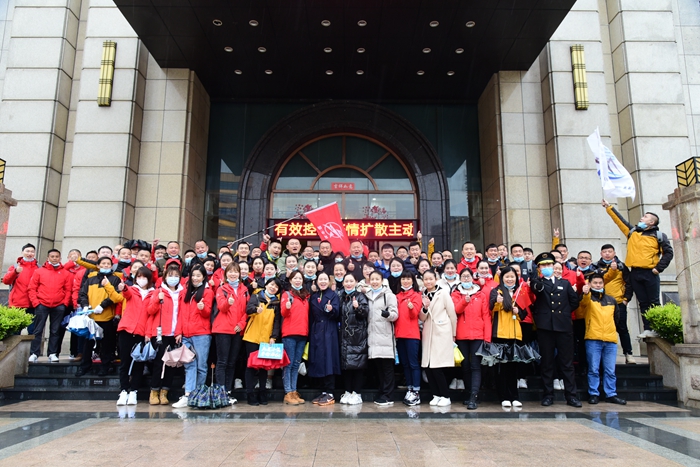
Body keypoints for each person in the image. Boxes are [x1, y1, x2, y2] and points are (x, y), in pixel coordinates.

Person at [601, 199, 674, 337]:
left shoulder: (659, 236)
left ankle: (656, 328)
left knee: (654, 301)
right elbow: (620, 221)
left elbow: (668, 253)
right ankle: (648, 328)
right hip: (635, 272)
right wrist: (609, 207)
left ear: (651, 222)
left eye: (645, 217)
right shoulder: (632, 232)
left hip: (650, 272)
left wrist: (658, 268)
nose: (642, 218)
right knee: (643, 302)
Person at [530, 252, 582, 407]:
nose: (546, 267)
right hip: (545, 327)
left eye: (549, 264)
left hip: (563, 327)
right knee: (547, 363)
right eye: (543, 265)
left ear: (554, 266)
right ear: (539, 268)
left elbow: (574, 302)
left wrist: (563, 313)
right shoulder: (538, 283)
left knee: (567, 363)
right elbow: (536, 291)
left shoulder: (565, 283)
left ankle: (571, 396)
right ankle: (548, 395)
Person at [576, 274, 627, 405]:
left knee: (610, 370)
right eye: (595, 283)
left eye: (600, 283)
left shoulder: (611, 300)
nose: (598, 285)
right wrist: (585, 293)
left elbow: (616, 318)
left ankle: (611, 394)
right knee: (593, 369)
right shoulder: (588, 299)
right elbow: (582, 304)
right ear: (590, 284)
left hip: (610, 339)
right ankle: (594, 393)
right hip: (593, 338)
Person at [172, 264, 214, 408]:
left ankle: (198, 395)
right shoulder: (185, 292)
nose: (195, 278)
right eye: (193, 275)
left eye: (198, 276)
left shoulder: (208, 292)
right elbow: (180, 314)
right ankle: (188, 394)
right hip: (186, 334)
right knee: (189, 364)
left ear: (204, 277)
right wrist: (178, 332)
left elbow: (207, 313)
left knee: (201, 366)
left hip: (201, 334)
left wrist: (202, 308)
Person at [76, 256, 124, 376]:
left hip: (107, 317)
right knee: (88, 344)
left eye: (108, 264)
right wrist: (85, 305)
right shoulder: (90, 279)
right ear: (98, 265)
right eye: (103, 263)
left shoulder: (115, 279)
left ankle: (105, 367)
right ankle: (84, 367)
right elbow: (82, 294)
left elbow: (116, 295)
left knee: (107, 345)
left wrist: (103, 305)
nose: (106, 265)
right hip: (91, 317)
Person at [451, 267, 490, 410]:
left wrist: (487, 338)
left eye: (468, 276)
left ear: (472, 278)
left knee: (475, 365)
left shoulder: (480, 294)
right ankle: (468, 393)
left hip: (478, 334)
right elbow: (455, 310)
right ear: (460, 278)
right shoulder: (455, 294)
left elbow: (486, 316)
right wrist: (464, 301)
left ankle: (474, 395)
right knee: (465, 365)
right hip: (461, 334)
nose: (466, 279)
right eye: (463, 277)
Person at [489, 267, 527, 409]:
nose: (510, 279)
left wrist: (518, 312)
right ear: (502, 278)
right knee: (502, 368)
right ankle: (503, 396)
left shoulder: (519, 292)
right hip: (500, 334)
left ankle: (514, 396)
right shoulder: (496, 291)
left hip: (515, 334)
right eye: (507, 277)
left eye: (512, 277)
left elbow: (524, 314)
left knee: (513, 367)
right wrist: (498, 302)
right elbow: (490, 309)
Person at [116, 266, 155, 406]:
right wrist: (123, 288)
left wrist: (148, 333)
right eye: (139, 277)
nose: (141, 279)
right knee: (125, 362)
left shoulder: (153, 294)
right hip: (126, 329)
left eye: (144, 277)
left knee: (138, 363)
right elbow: (126, 293)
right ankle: (124, 390)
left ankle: (134, 391)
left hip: (141, 332)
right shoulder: (132, 290)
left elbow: (152, 315)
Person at [146, 264, 184, 405]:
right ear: (165, 277)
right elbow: (150, 311)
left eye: (176, 276)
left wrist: (179, 332)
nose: (173, 278)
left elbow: (182, 315)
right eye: (170, 275)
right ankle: (154, 391)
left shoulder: (182, 293)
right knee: (159, 363)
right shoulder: (159, 291)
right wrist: (157, 299)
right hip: (160, 333)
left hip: (175, 334)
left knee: (171, 364)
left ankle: (164, 392)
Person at [419, 269, 457, 407]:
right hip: (428, 333)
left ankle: (445, 395)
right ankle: (436, 395)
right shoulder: (423, 294)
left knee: (438, 367)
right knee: (428, 367)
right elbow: (422, 317)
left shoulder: (443, 293)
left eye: (431, 279)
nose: (428, 281)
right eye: (426, 279)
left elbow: (452, 314)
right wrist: (425, 308)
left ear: (436, 279)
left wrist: (453, 334)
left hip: (442, 332)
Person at [27, 249, 71, 363]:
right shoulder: (39, 271)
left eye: (57, 256)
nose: (54, 258)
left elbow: (68, 290)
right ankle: (34, 353)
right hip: (42, 304)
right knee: (38, 330)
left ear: (60, 258)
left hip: (59, 305)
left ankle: (52, 353)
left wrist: (64, 303)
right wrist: (36, 303)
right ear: (48, 258)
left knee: (55, 331)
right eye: (52, 256)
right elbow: (32, 288)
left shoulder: (65, 273)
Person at [213, 262, 249, 401]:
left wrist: (242, 323)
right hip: (223, 329)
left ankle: (227, 391)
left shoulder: (244, 290)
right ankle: (220, 392)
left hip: (238, 330)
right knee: (222, 362)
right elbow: (222, 307)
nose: (233, 274)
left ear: (239, 274)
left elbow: (247, 310)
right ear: (226, 274)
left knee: (232, 362)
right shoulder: (221, 289)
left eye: (235, 271)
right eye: (230, 271)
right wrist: (229, 302)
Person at [243, 277, 282, 406]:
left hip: (266, 339)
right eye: (271, 284)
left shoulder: (276, 303)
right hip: (252, 337)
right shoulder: (256, 296)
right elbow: (248, 309)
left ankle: (262, 392)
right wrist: (256, 310)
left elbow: (277, 322)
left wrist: (273, 337)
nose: (273, 287)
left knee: (264, 368)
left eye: (276, 286)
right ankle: (250, 394)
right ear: (266, 285)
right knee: (251, 367)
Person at [365, 271, 399, 406]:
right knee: (378, 367)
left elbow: (395, 314)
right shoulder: (367, 295)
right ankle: (382, 392)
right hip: (372, 336)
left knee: (387, 367)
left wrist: (387, 314)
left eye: (377, 279)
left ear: (382, 280)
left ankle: (388, 395)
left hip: (385, 335)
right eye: (372, 279)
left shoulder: (389, 295)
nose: (374, 282)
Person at [597, 244, 635, 364]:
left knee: (622, 328)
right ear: (601, 254)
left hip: (618, 302)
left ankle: (628, 353)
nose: (607, 254)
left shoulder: (621, 266)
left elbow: (629, 283)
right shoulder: (596, 267)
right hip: (602, 303)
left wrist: (626, 299)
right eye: (605, 252)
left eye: (610, 251)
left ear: (614, 253)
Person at [308, 272, 341, 406]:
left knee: (329, 360)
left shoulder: (333, 295)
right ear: (316, 282)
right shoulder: (314, 296)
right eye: (320, 279)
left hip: (329, 330)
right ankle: (323, 391)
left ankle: (330, 392)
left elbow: (338, 314)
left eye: (325, 279)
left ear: (329, 281)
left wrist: (331, 309)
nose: (322, 281)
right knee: (319, 360)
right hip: (316, 330)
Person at [338, 273, 370, 405]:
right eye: (346, 281)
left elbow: (365, 313)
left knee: (357, 365)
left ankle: (357, 393)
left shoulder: (360, 296)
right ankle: (347, 391)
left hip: (357, 336)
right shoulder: (340, 296)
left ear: (356, 282)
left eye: (351, 281)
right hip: (344, 336)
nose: (349, 283)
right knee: (346, 366)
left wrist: (358, 308)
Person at [281, 270, 310, 405]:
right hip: (290, 333)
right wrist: (287, 308)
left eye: (300, 278)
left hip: (302, 333)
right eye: (295, 278)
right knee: (289, 364)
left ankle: (294, 391)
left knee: (296, 364)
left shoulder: (305, 296)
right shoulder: (287, 294)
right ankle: (288, 392)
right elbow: (283, 313)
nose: (298, 280)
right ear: (290, 280)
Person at [3, 243, 39, 317]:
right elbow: (6, 281)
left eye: (32, 252)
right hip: (17, 303)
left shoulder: (39, 268)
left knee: (33, 325)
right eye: (27, 251)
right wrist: (15, 272)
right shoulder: (15, 267)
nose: (29, 254)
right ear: (22, 252)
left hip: (33, 304)